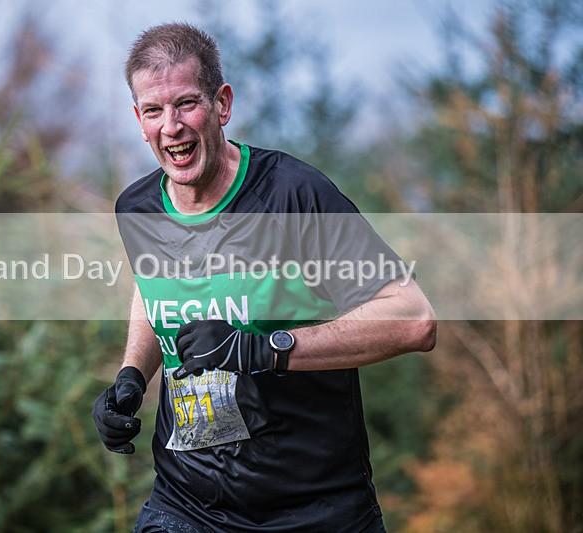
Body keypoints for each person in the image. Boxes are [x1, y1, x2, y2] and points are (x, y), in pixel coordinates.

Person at [92, 22, 436, 533]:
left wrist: (263, 349)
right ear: (139, 121)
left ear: (222, 105)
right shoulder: (137, 209)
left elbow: (414, 319)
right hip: (187, 506)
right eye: (153, 110)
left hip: (315, 508)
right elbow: (152, 289)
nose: (171, 125)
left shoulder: (293, 197)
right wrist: (131, 376)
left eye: (186, 104)